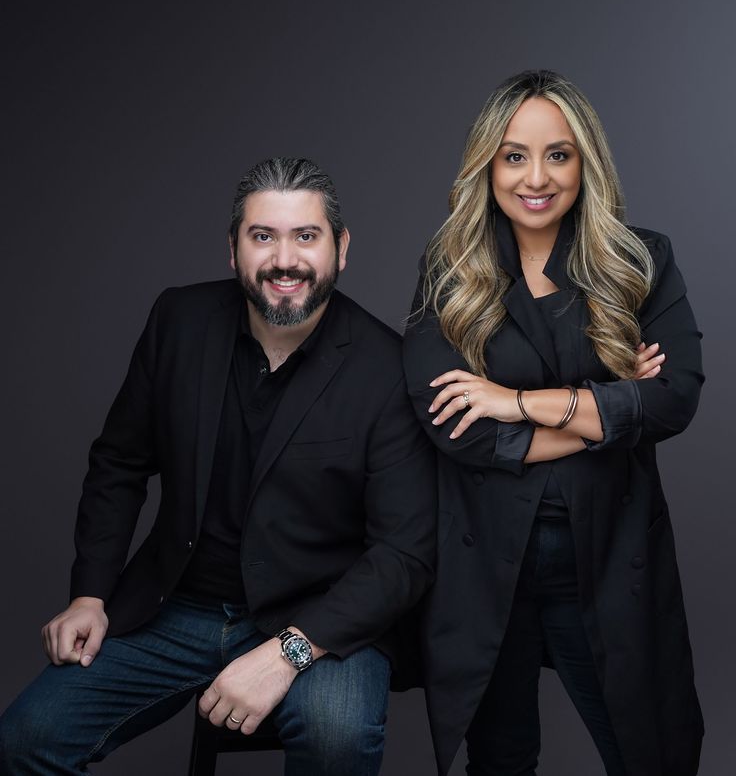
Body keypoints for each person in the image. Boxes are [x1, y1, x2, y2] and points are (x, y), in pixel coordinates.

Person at [0, 157, 437, 775]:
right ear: (233, 249)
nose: (284, 260)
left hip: (324, 622)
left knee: (337, 740)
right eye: (263, 236)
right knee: (23, 739)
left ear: (340, 248)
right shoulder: (179, 321)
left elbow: (405, 554)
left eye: (305, 236)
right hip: (175, 606)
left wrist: (286, 653)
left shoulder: (388, 368)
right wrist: (90, 594)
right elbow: (119, 461)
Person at [403, 70, 703, 776]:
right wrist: (604, 408)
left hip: (607, 553)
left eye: (558, 154)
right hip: (488, 562)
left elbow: (675, 400)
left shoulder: (640, 260)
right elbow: (454, 428)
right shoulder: (448, 271)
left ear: (585, 161)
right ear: (487, 164)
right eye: (514, 156)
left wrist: (514, 401)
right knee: (500, 760)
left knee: (648, 753)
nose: (536, 177)